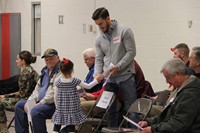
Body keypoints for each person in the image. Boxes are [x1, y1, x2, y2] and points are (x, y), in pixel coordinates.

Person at [92, 7, 137, 127]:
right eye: (97, 24)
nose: (99, 27)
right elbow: (99, 58)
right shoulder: (99, 38)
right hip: (110, 79)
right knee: (110, 109)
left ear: (108, 19)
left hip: (125, 76)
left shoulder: (124, 30)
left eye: (101, 23)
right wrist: (97, 74)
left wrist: (118, 66)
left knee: (131, 109)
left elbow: (131, 52)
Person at [138, 58, 200, 133]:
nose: (167, 81)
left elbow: (179, 123)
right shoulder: (181, 89)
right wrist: (149, 122)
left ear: (178, 74)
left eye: (168, 77)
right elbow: (168, 115)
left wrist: (153, 129)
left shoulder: (190, 94)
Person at [14, 48, 61, 133]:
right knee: (20, 105)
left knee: (36, 111)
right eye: (46, 59)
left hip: (54, 105)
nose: (48, 61)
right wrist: (30, 101)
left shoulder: (60, 71)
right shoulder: (45, 71)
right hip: (41, 102)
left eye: (51, 58)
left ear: (57, 58)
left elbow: (53, 93)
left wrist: (40, 103)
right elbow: (37, 89)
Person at [52, 58, 103, 133]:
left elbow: (55, 96)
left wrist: (57, 107)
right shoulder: (75, 80)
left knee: (56, 128)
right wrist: (96, 81)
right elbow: (88, 86)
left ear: (60, 69)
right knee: (71, 128)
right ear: (72, 69)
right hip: (72, 109)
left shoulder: (58, 82)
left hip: (60, 109)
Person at [0, 51, 39, 132]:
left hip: (26, 100)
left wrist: (5, 96)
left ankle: (3, 130)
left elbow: (22, 94)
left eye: (18, 59)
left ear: (23, 61)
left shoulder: (25, 74)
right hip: (31, 98)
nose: (16, 61)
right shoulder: (31, 70)